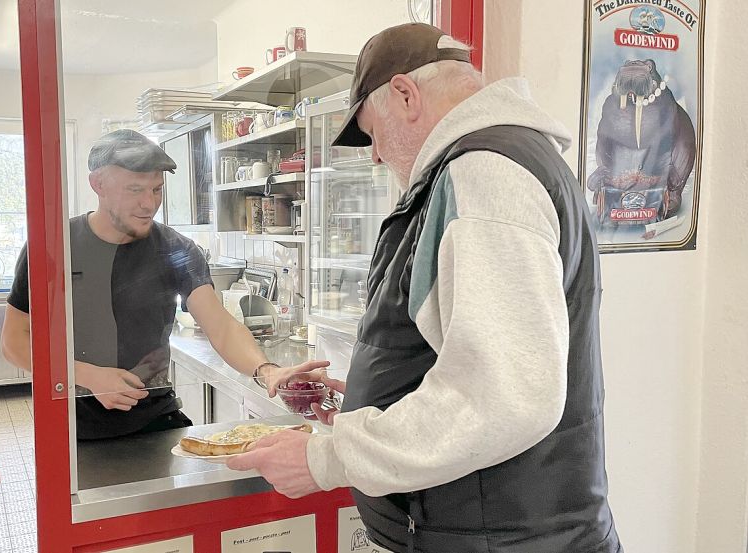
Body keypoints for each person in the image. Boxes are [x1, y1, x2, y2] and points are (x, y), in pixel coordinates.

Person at [227, 23, 623, 553]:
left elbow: (503, 396)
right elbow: (481, 358)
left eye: (371, 132)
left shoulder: (484, 173)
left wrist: (326, 458)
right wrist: (382, 405)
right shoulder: (500, 162)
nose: (372, 155)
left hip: (500, 538)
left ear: (405, 95)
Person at [1, 129, 326, 440]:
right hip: (70, 428)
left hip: (155, 421)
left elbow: (222, 327)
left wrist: (266, 370)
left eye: (156, 190)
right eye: (135, 190)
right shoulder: (53, 247)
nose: (149, 203)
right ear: (97, 184)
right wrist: (88, 376)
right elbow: (15, 341)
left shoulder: (176, 250)